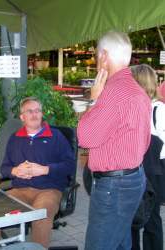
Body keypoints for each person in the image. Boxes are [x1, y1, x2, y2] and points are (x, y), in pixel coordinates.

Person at [77, 31, 151, 250]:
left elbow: (85, 137)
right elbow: (144, 142)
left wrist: (94, 100)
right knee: (120, 242)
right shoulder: (138, 91)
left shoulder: (112, 92)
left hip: (114, 186)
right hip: (134, 178)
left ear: (104, 56)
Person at [0, 96, 76, 248]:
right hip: (20, 190)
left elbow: (70, 165)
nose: (34, 114)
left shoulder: (56, 136)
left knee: (40, 216)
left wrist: (44, 170)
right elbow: (4, 168)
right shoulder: (15, 138)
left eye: (38, 111)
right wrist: (15, 170)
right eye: (29, 111)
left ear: (42, 114)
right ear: (22, 117)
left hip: (49, 190)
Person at [131, 64, 165, 250]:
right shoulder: (133, 107)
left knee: (151, 220)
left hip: (153, 173)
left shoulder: (158, 110)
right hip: (134, 169)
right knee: (132, 219)